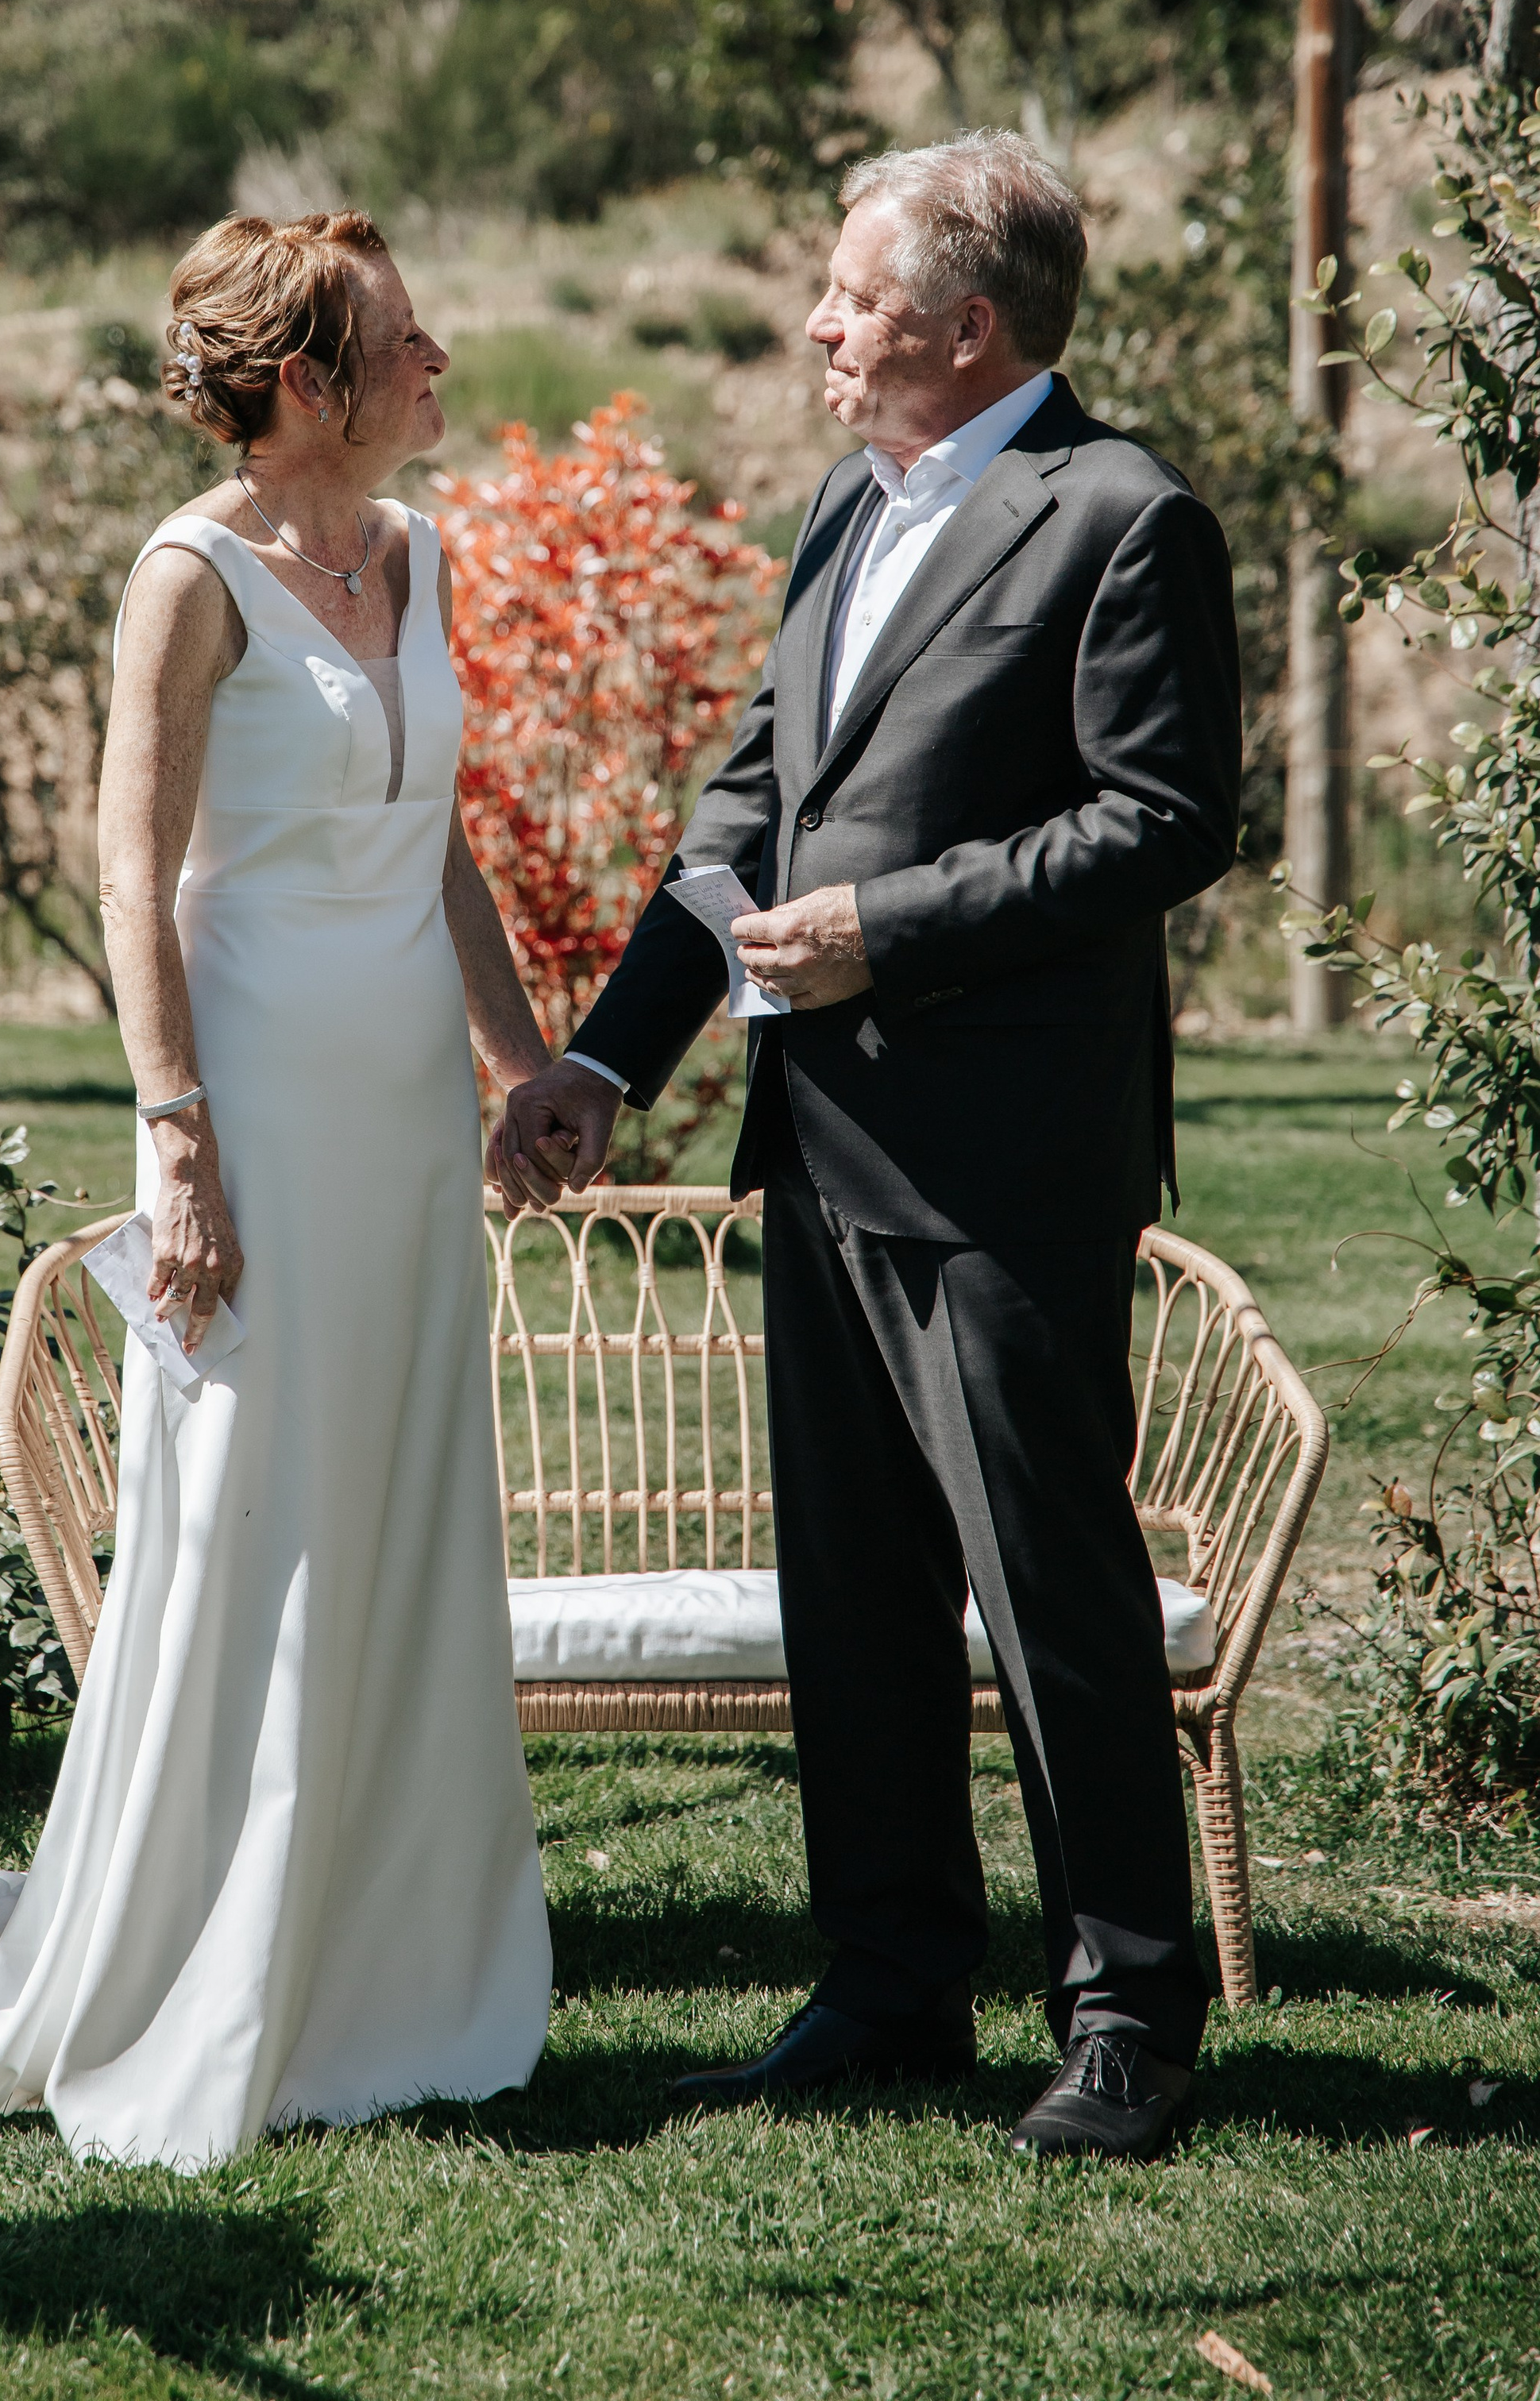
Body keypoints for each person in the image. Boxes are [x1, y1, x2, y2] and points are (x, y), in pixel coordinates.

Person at [496, 133, 1241, 2161]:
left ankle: (1128, 2019)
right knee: (856, 1595)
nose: (817, 321)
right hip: (813, 1150)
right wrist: (608, 1059)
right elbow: (738, 814)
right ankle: (891, 1980)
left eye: (847, 292)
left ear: (963, 322)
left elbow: (1167, 819)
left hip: (1006, 1162)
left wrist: (882, 929)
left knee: (1050, 1595)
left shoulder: (1120, 515)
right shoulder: (844, 500)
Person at [0, 209, 554, 2170]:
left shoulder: (416, 555)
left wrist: (524, 1068)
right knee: (249, 1512)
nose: (438, 374)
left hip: (406, 1108)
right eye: (407, 348)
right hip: (246, 1099)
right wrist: (177, 1139)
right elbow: (130, 865)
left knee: (406, 1501)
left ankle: (403, 1971)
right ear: (313, 386)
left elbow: (433, 847)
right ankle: (202, 1965)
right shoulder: (190, 573)